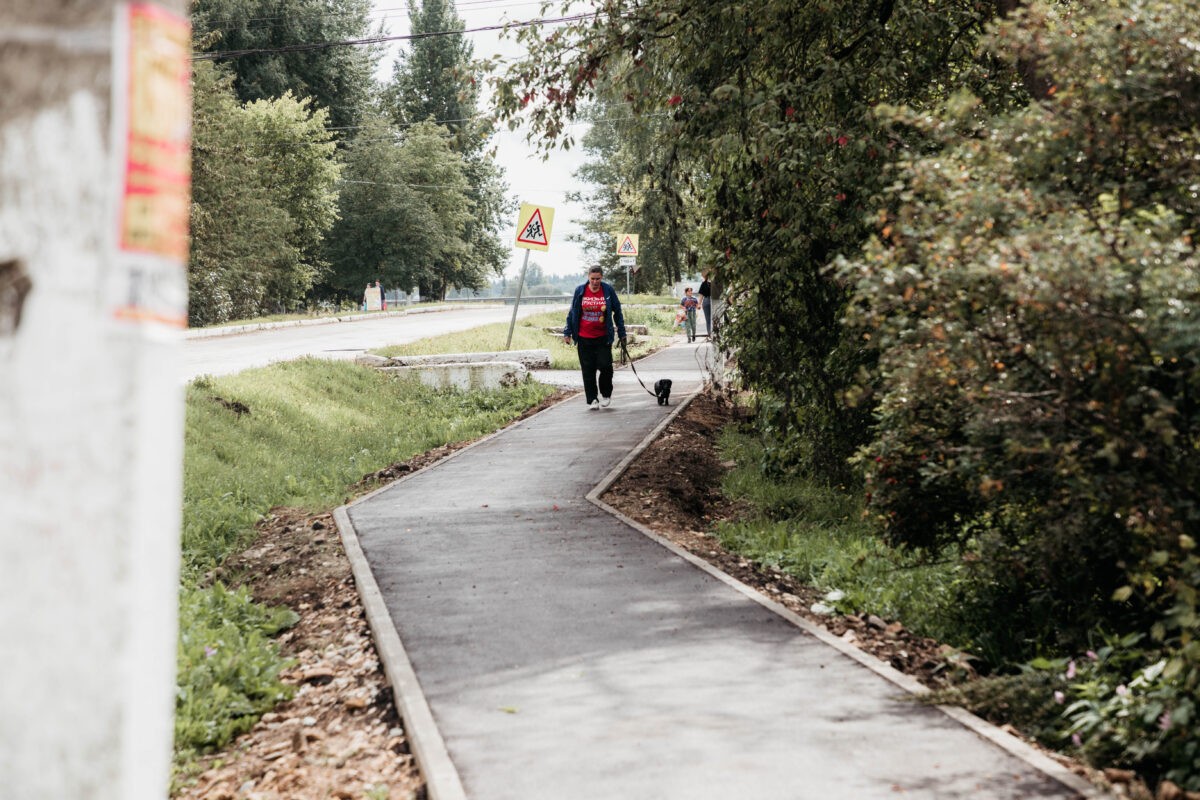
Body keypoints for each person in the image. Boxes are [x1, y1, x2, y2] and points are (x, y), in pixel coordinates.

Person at [563, 265, 626, 410]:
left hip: (603, 337)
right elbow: (572, 312)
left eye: (598, 279)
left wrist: (622, 333)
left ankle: (606, 394)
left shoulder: (608, 290)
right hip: (584, 337)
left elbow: (617, 311)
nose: (595, 282)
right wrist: (567, 332)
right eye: (593, 279)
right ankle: (592, 399)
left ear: (602, 277)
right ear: (588, 277)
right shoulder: (580, 290)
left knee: (606, 367)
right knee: (588, 370)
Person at [698, 271, 713, 337]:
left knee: (711, 319)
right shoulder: (704, 283)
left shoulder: (704, 283)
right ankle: (711, 334)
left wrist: (699, 304)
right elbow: (701, 295)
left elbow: (701, 295)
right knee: (711, 319)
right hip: (710, 300)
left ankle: (712, 334)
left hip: (711, 300)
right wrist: (699, 304)